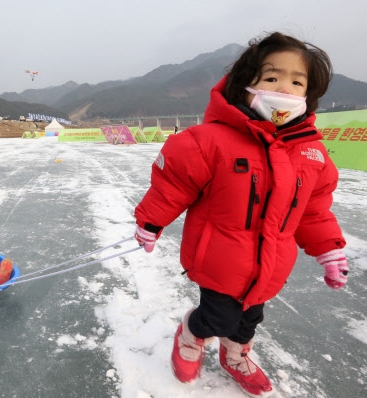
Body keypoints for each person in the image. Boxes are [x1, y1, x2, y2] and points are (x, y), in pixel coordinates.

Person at [133, 32, 348, 397]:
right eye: (271, 77)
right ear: (245, 85)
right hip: (219, 259)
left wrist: (330, 249)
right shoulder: (210, 140)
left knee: (249, 319)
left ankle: (236, 353)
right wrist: (150, 223)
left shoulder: (311, 153)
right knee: (218, 316)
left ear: (308, 95)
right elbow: (173, 185)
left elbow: (313, 209)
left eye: (297, 81)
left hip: (272, 264)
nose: (285, 88)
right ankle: (191, 332)